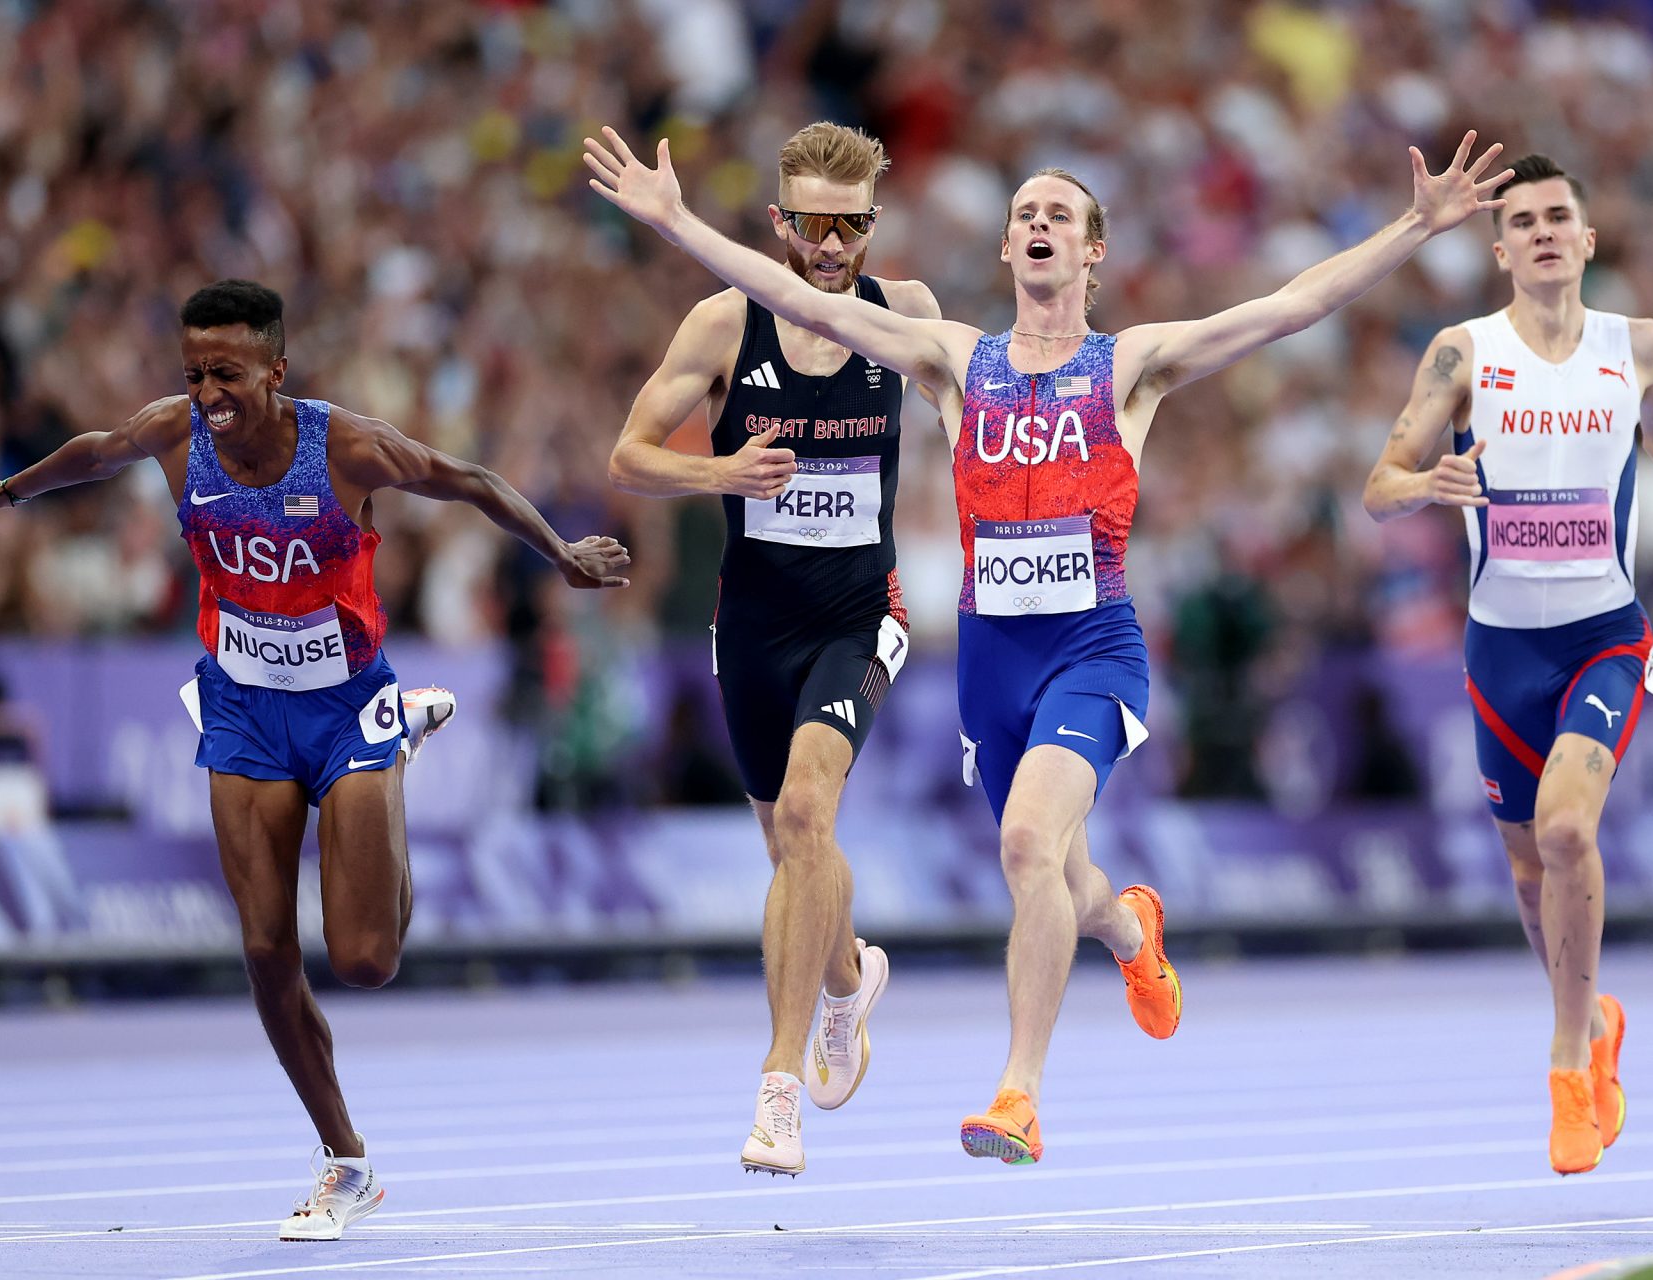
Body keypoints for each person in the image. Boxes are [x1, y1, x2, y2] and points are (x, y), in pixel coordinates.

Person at [586, 124, 1513, 1162]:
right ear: (1005, 251)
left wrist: (1412, 227)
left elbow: (1290, 306)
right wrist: (675, 224)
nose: (1036, 223)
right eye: (1023, 212)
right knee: (1063, 882)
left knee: (1025, 843)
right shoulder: (951, 360)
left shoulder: (1135, 367)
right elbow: (801, 297)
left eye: (1057, 215)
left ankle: (1018, 1093)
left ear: (1090, 253)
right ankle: (1127, 927)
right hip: (993, 663)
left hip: (1094, 646)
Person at [0, 279, 630, 1237]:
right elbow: (97, 453)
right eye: (193, 373)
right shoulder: (177, 434)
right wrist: (9, 490)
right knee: (265, 951)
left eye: (227, 372)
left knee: (366, 960)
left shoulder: (344, 447)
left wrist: (560, 554)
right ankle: (345, 1159)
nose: (209, 393)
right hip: (243, 709)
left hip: (347, 709)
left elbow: (467, 478)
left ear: (277, 368)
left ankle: (398, 750)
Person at [1362, 155, 1653, 1175]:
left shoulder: (1639, 345)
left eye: (1558, 217)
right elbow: (1378, 482)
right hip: (1500, 650)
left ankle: (1568, 1064)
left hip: (1604, 635)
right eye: (1522, 219)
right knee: (1531, 873)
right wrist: (1426, 483)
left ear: (1585, 240)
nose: (1541, 231)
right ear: (1500, 250)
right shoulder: (1463, 354)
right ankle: (1595, 1017)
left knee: (1569, 828)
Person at [607, 122, 941, 1177]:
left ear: (871, 226)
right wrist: (722, 475)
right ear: (778, 223)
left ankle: (778, 1091)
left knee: (808, 812)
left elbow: (991, 401)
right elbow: (627, 456)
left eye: (850, 226)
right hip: (752, 624)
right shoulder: (721, 321)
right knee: (791, 848)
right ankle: (845, 975)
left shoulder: (909, 316)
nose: (831, 246)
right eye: (811, 224)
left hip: (861, 614)